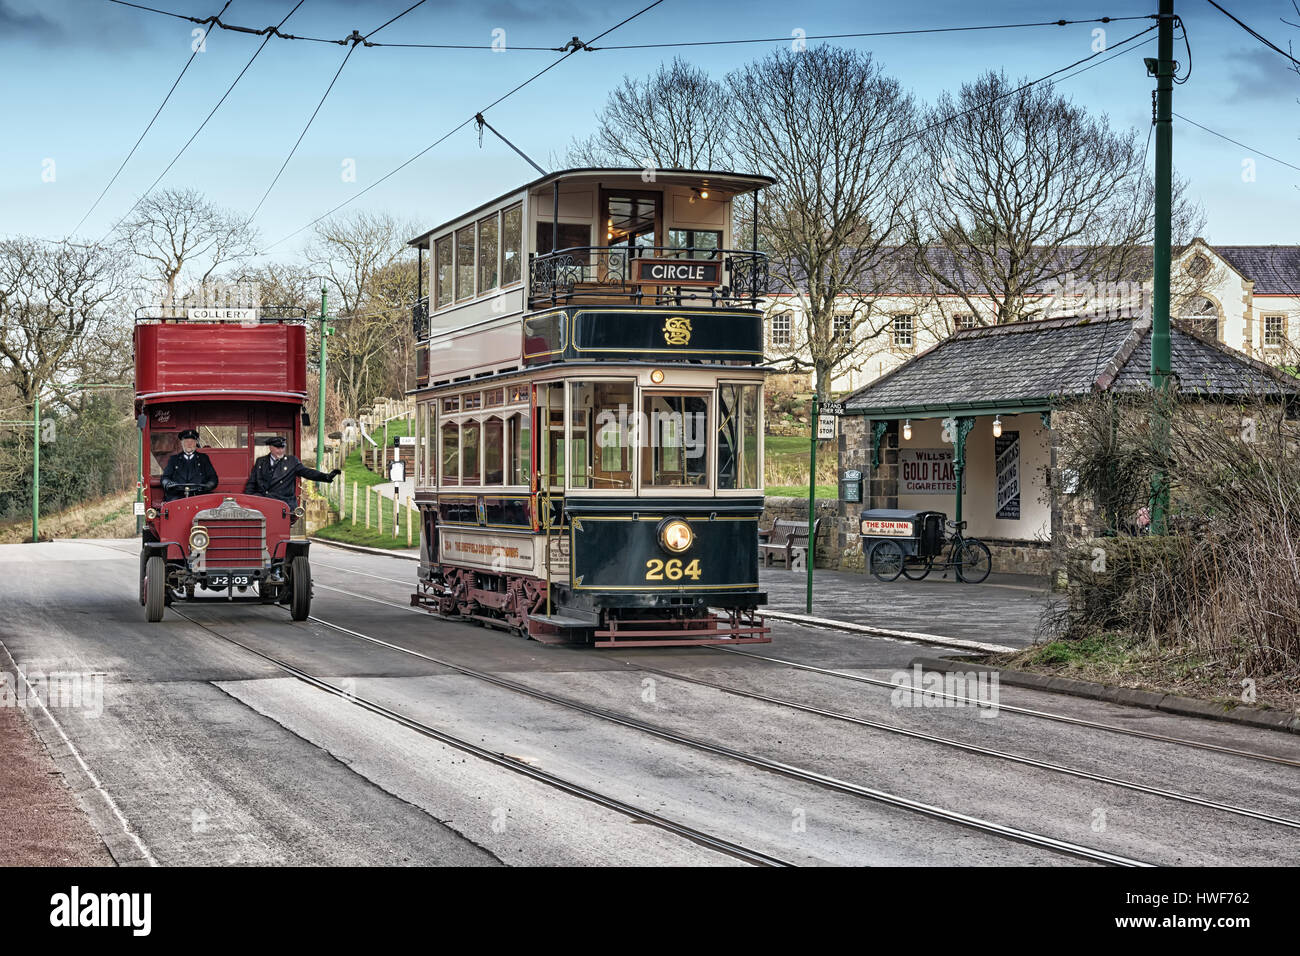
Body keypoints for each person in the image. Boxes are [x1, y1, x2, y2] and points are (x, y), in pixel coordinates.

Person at [245, 436, 339, 510]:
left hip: (283, 504)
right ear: (270, 448)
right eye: (278, 448)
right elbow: (252, 482)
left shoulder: (292, 461)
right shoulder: (261, 461)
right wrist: (248, 501)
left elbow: (307, 472)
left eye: (283, 447)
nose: (281, 450)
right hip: (264, 503)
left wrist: (326, 477)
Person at [160, 429, 219, 501]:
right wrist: (167, 484)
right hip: (177, 497)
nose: (189, 444)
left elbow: (213, 477)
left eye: (192, 442)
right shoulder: (174, 459)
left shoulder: (203, 458)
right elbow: (165, 477)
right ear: (182, 443)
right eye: (186, 441)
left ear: (196, 443)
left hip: (198, 496)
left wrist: (209, 485)